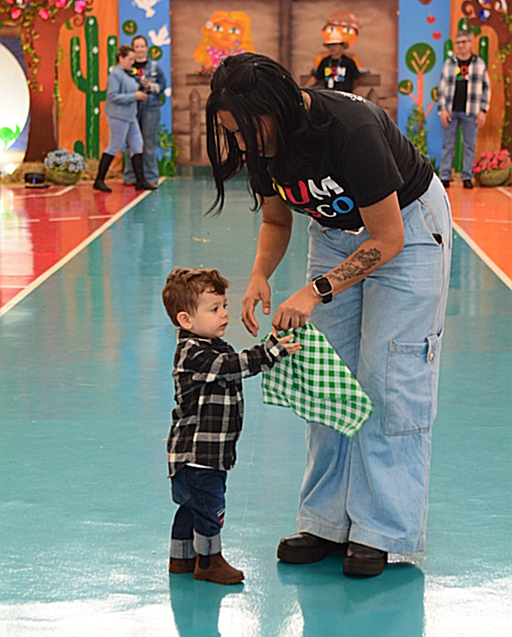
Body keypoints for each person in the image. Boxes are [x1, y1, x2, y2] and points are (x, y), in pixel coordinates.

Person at [206, 53, 452, 577]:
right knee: (327, 376)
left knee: (390, 375)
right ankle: (325, 521)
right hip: (334, 235)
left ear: (275, 108)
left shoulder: (350, 129)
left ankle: (383, 529)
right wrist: (259, 277)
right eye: (233, 133)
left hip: (406, 229)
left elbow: (387, 238)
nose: (243, 143)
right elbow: (276, 220)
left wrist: (315, 291)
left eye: (246, 130)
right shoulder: (261, 145)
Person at [162, 267, 300, 585]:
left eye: (224, 306)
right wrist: (271, 352)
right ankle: (209, 562)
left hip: (206, 453)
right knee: (210, 509)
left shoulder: (210, 345)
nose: (224, 314)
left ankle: (181, 558)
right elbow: (233, 366)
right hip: (199, 456)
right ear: (185, 320)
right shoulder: (193, 353)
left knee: (190, 508)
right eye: (215, 309)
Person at [93, 45, 155, 193]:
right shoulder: (116, 74)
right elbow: (112, 96)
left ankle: (140, 180)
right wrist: (134, 96)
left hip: (130, 115)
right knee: (114, 146)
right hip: (118, 115)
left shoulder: (128, 74)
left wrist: (143, 88)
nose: (132, 62)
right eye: (130, 59)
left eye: (133, 59)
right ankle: (99, 180)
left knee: (137, 144)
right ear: (121, 58)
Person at [438, 31, 490, 190]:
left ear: (470, 43)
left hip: (471, 111)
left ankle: (467, 176)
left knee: (469, 145)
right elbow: (441, 88)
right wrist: (442, 110)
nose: (461, 45)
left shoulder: (479, 64)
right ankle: (445, 176)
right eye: (458, 42)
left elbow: (487, 88)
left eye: (464, 42)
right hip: (451, 111)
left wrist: (483, 110)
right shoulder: (449, 64)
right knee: (448, 145)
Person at [123, 35, 167, 188]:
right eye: (137, 47)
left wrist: (151, 86)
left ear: (146, 48)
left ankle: (150, 176)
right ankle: (130, 176)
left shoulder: (155, 67)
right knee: (131, 144)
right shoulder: (128, 68)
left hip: (151, 109)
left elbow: (163, 85)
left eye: (142, 46)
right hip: (131, 108)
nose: (140, 50)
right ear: (133, 49)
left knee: (148, 144)